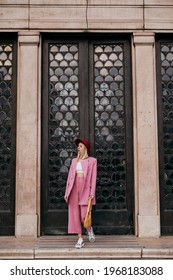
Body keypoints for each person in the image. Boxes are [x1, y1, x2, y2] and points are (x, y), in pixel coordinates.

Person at [64, 139, 97, 249]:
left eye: (81, 146)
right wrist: (67, 192)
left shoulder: (92, 161)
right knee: (75, 215)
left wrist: (92, 193)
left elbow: (93, 179)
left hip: (85, 189)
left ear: (85, 148)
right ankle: (80, 239)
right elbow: (70, 177)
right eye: (78, 146)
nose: (78, 148)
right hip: (74, 189)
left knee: (84, 215)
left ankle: (89, 229)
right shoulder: (74, 161)